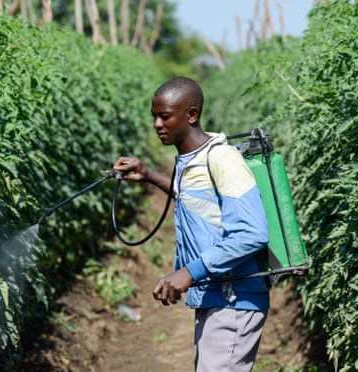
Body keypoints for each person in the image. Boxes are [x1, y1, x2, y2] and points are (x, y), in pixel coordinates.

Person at [113, 76, 269, 371]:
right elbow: (198, 202)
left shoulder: (222, 159)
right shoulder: (190, 159)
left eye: (165, 116)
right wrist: (148, 174)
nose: (157, 124)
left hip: (234, 300)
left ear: (192, 115)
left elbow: (252, 233)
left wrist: (188, 272)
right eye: (154, 117)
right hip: (216, 297)